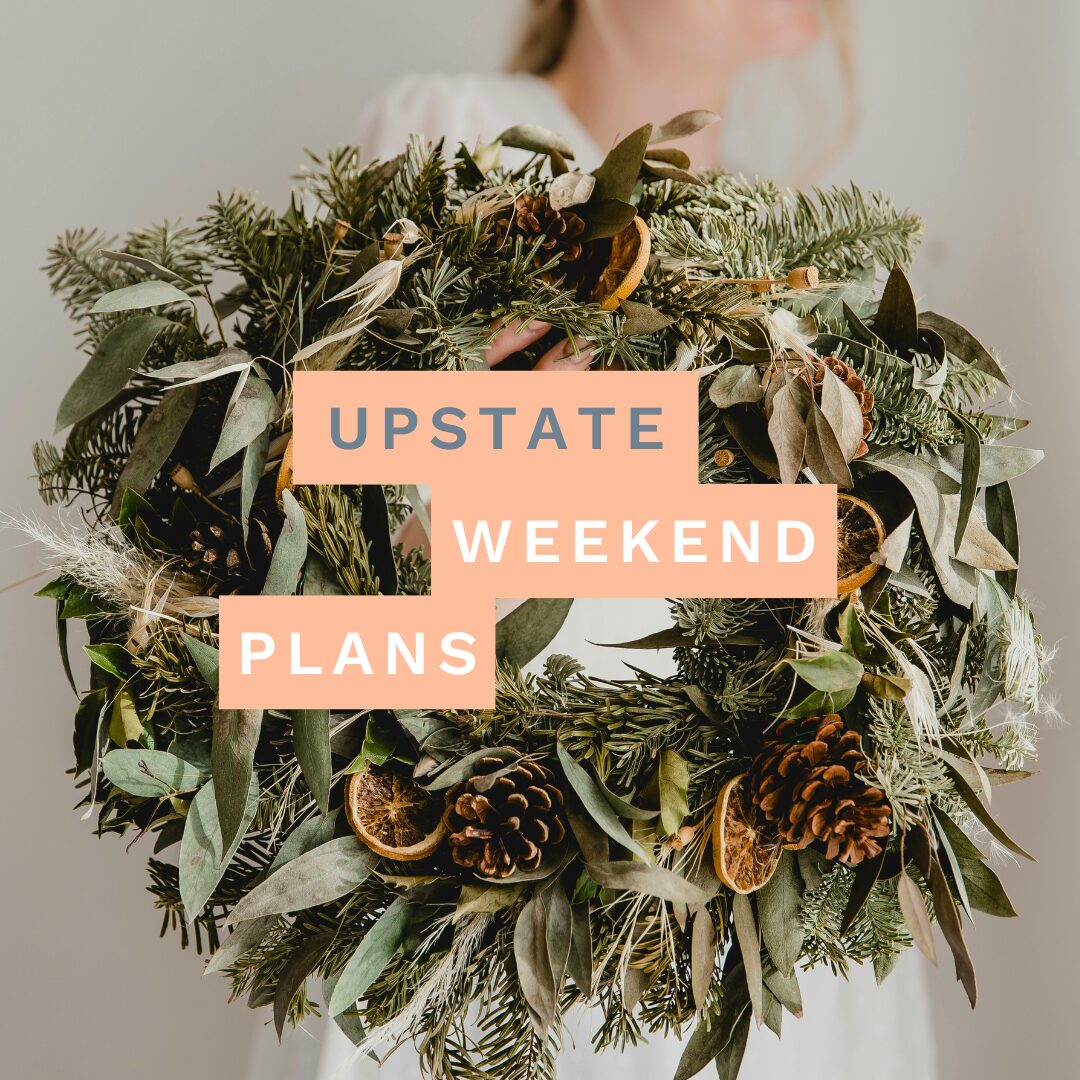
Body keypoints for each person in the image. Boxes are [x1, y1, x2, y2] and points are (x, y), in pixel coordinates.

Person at [249, 2, 936, 1077]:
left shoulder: (819, 266)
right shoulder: (460, 142)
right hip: (510, 961)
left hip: (762, 972)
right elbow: (313, 567)